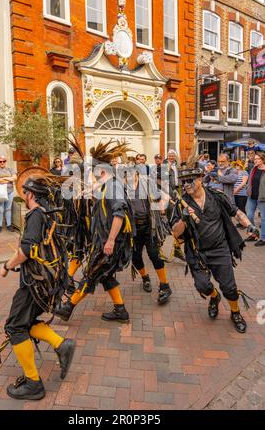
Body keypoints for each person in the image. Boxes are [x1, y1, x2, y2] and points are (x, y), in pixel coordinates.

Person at [0, 177, 76, 400]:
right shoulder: (46, 212)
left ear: (30, 195)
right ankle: (62, 344)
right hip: (42, 283)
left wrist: (5, 266)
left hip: (34, 285)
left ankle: (33, 383)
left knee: (15, 327)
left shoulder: (35, 215)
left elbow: (25, 251)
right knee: (25, 322)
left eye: (24, 191)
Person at [171, 164, 259, 333]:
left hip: (220, 249)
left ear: (199, 179)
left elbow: (236, 212)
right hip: (197, 252)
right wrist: (184, 218)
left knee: (229, 287)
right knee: (202, 285)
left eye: (190, 180)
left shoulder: (216, 197)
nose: (186, 184)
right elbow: (175, 232)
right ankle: (214, 297)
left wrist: (249, 226)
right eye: (183, 182)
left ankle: (235, 313)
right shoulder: (182, 204)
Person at [56, 142, 134, 323]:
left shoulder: (113, 187)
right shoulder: (106, 186)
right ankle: (120, 310)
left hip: (110, 243)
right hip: (103, 241)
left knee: (91, 275)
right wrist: (87, 190)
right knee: (105, 276)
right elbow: (100, 194)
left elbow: (119, 214)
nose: (91, 173)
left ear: (102, 171)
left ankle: (68, 308)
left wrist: (111, 241)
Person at [129, 169, 172, 303]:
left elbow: (164, 197)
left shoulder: (146, 184)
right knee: (135, 257)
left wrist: (162, 212)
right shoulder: (121, 188)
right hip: (133, 229)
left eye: (131, 173)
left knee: (154, 255)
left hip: (149, 226)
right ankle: (145, 277)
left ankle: (165, 285)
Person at [0, 156, 17, 233]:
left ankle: (9, 225)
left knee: (8, 209)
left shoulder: (10, 169)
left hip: (10, 191)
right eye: (0, 161)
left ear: (5, 161)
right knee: (0, 209)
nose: (2, 162)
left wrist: (2, 179)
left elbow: (15, 178)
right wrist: (9, 178)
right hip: (0, 192)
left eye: (4, 161)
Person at [246, 152, 265, 247]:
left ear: (263, 160)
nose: (256, 160)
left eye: (258, 159)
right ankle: (254, 234)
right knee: (249, 215)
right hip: (251, 196)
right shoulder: (253, 169)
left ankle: (263, 238)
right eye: (255, 159)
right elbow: (250, 181)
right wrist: (247, 189)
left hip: (262, 198)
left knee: (263, 218)